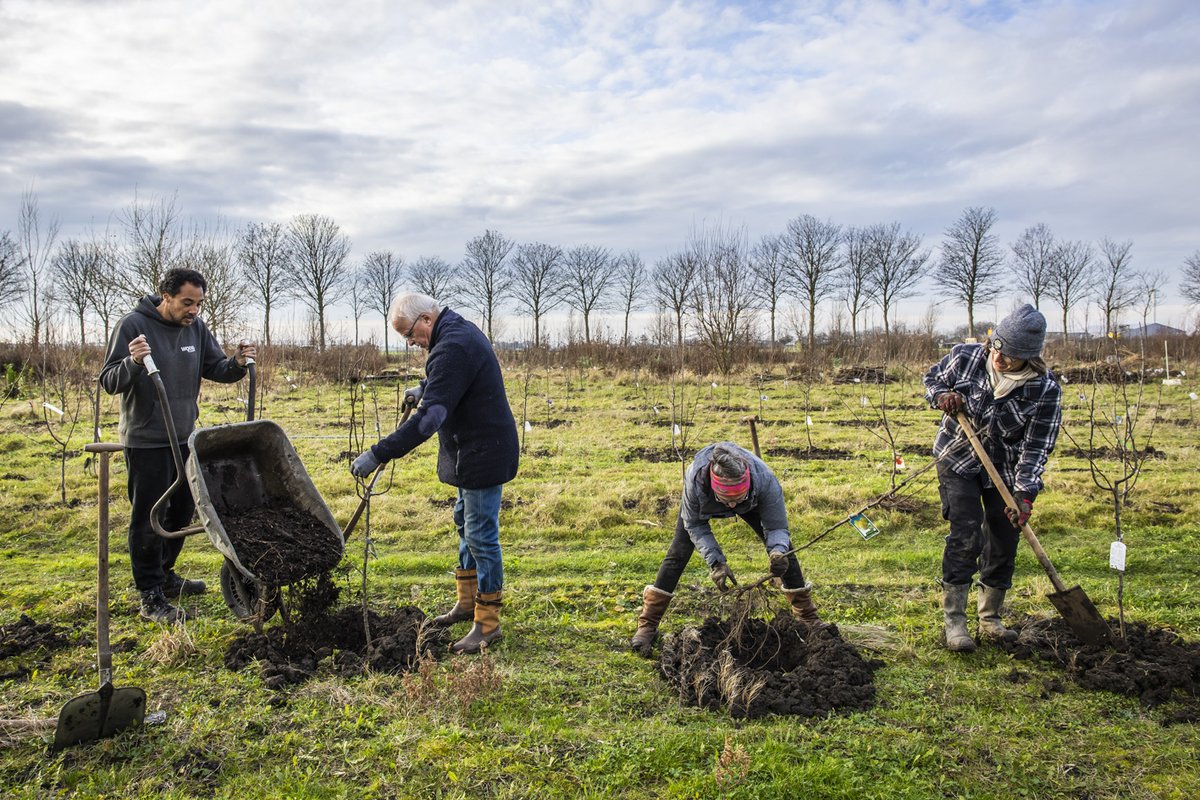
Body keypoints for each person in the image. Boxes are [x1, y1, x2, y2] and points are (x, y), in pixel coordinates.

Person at [351, 293, 519, 655]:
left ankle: (487, 624)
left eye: (410, 335)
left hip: (483, 453)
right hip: (471, 450)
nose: (411, 343)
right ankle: (467, 602)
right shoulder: (454, 334)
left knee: (481, 535)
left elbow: (428, 421)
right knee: (464, 523)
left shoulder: (453, 345)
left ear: (426, 319)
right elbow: (454, 380)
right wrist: (426, 386)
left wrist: (378, 453)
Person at [100, 267, 255, 624]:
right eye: (187, 303)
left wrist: (237, 363)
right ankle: (149, 594)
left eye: (199, 304)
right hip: (147, 440)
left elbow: (215, 367)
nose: (194, 311)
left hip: (185, 437)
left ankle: (165, 574)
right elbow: (109, 380)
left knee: (184, 508)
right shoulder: (133, 325)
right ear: (166, 297)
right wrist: (133, 362)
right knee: (149, 516)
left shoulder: (196, 328)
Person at [923, 304, 1061, 652]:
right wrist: (942, 396)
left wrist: (1025, 493)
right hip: (956, 459)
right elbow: (932, 379)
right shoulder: (967, 357)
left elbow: (1036, 447)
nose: (999, 358)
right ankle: (955, 622)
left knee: (1003, 537)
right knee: (965, 532)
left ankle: (991, 619)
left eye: (1011, 355)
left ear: (1029, 357)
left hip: (1006, 470)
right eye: (997, 347)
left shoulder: (1043, 391)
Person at [629, 441, 826, 656]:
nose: (732, 506)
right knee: (678, 553)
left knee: (787, 554)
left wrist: (777, 551)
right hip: (706, 503)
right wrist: (716, 562)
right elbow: (694, 525)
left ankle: (807, 618)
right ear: (715, 488)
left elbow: (777, 526)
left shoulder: (765, 480)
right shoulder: (696, 480)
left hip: (752, 502)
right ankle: (647, 625)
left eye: (736, 499)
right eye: (727, 500)